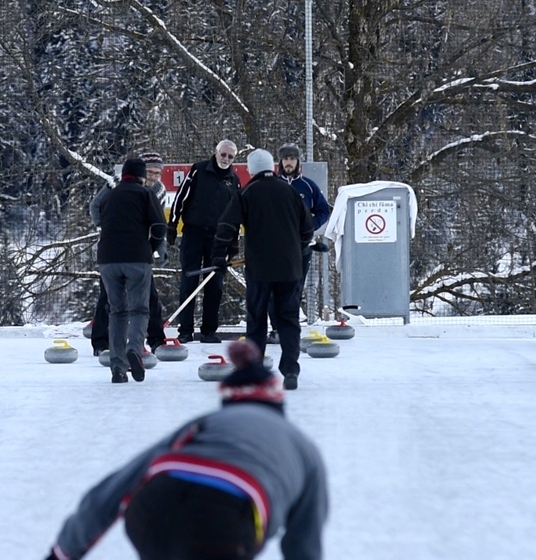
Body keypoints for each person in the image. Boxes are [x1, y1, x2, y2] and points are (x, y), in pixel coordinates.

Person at [44, 338, 328, 560]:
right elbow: (304, 541)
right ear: (277, 404)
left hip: (153, 507)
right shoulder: (304, 448)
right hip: (224, 525)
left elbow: (115, 488)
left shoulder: (205, 424)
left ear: (228, 403)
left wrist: (62, 554)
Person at [212, 149, 313, 390]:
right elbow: (307, 230)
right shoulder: (290, 191)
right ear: (273, 167)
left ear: (250, 169)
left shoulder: (246, 192)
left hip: (259, 269)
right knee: (288, 319)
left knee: (257, 320)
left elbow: (227, 225)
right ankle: (290, 369)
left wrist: (219, 255)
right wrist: (294, 251)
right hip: (290, 268)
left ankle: (255, 370)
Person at [88, 152, 168, 356]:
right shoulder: (115, 185)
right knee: (109, 298)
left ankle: (156, 339)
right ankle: (101, 342)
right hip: (117, 248)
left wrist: (158, 247)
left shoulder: (158, 191)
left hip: (139, 250)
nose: (153, 177)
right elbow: (95, 205)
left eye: (157, 173)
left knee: (149, 296)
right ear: (140, 172)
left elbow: (158, 222)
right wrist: (104, 226)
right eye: (150, 172)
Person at [166, 139, 241, 344]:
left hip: (218, 240)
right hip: (194, 233)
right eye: (223, 154)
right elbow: (180, 197)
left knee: (214, 284)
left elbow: (235, 214)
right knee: (189, 281)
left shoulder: (234, 180)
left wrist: (233, 241)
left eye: (230, 156)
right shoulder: (198, 171)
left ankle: (208, 330)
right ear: (216, 153)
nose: (225, 159)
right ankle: (186, 329)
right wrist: (172, 225)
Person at [267, 143, 331, 344]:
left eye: (292, 159)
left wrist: (309, 226)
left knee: (294, 288)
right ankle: (275, 328)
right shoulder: (270, 184)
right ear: (280, 162)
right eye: (285, 159)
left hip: (301, 247)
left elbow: (324, 210)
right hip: (274, 247)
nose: (288, 162)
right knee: (272, 289)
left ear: (298, 162)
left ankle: (289, 327)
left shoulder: (309, 186)